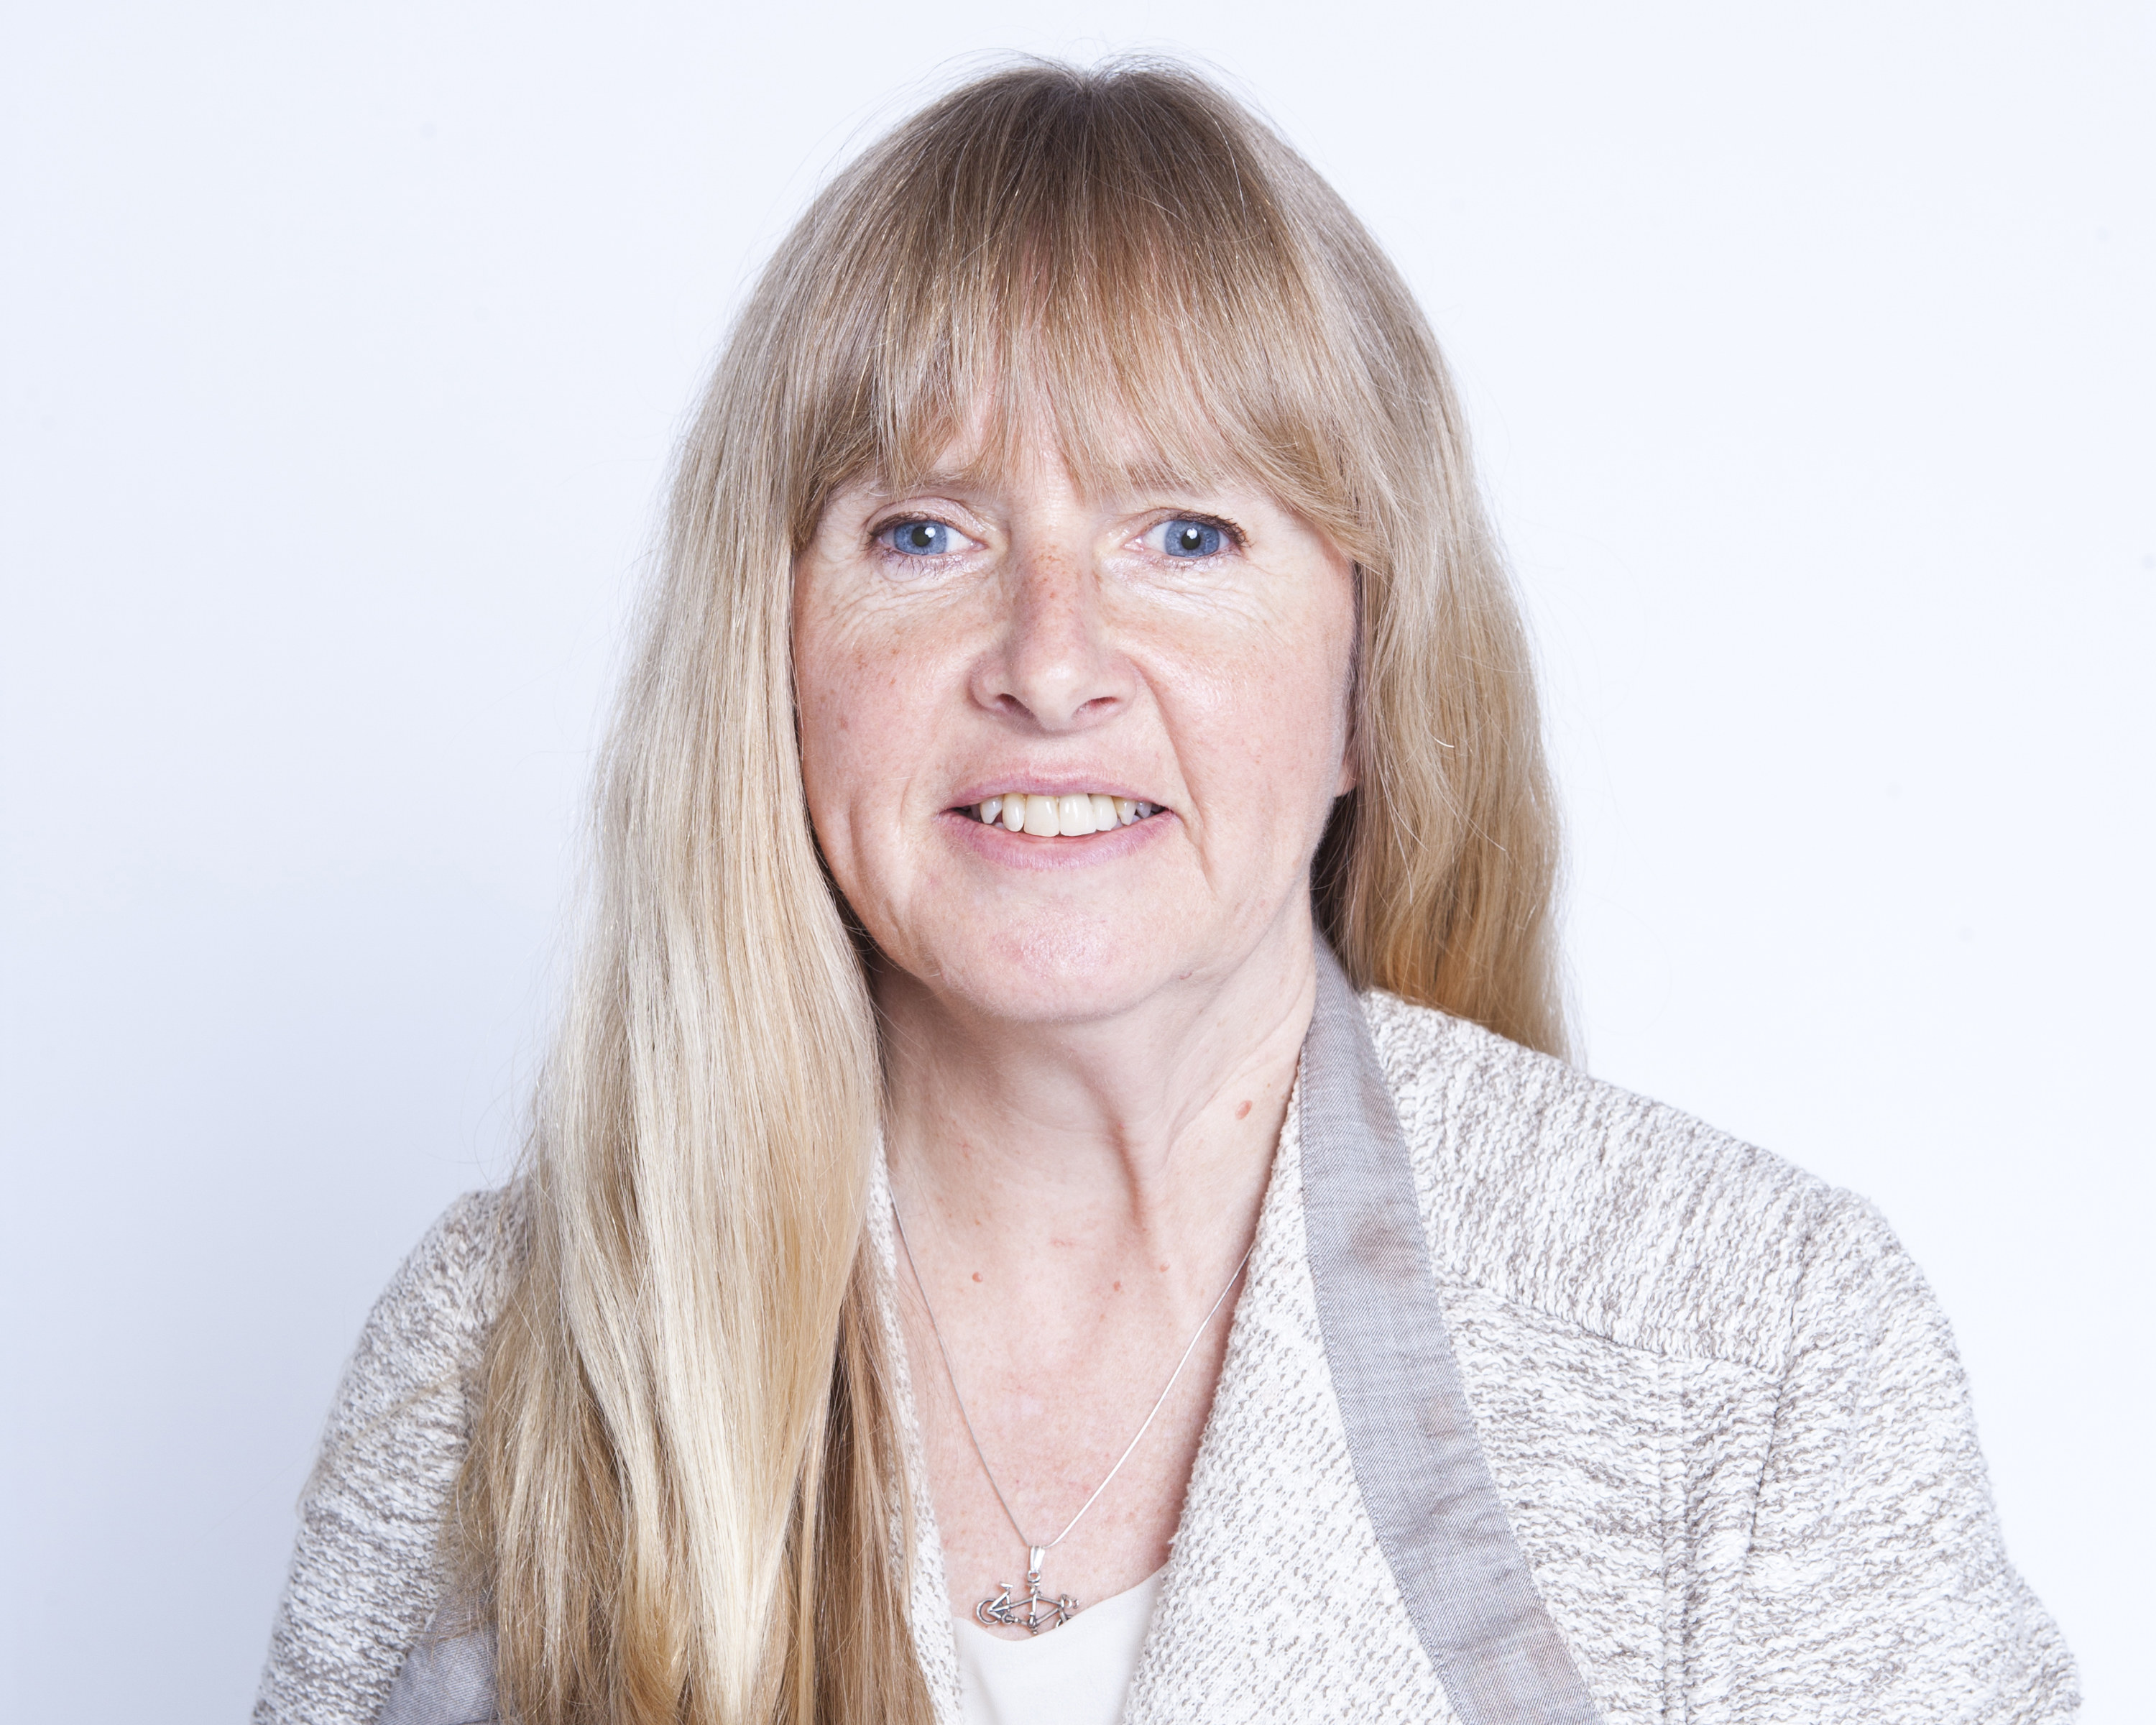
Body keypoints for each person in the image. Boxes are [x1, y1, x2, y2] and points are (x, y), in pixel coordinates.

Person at [254, 60, 2076, 1725]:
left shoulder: (1751, 1358)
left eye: (1186, 534)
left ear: (1369, 674)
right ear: (778, 655)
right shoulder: (493, 1362)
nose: (1051, 664)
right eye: (924, 533)